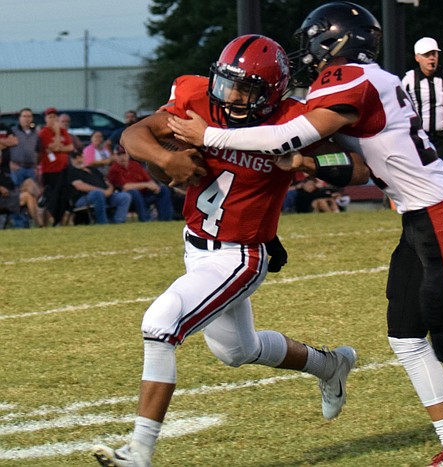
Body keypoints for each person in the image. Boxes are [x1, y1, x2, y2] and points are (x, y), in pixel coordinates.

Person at [167, 3, 443, 465]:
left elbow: (287, 135)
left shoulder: (354, 77)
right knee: (404, 338)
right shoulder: (366, 81)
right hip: (421, 217)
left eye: (313, 41)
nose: (307, 53)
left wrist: (211, 136)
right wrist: (309, 164)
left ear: (335, 41)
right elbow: (357, 165)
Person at [92, 34, 370, 467]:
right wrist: (166, 162)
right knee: (236, 351)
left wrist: (305, 162)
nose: (234, 97)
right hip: (196, 244)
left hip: (240, 254)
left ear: (273, 92)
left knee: (161, 322)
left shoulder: (291, 119)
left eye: (248, 89)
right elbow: (135, 134)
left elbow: (356, 168)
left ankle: (139, 451)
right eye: (228, 85)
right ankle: (329, 365)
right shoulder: (197, 98)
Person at [107, 145, 174, 221]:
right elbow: (125, 187)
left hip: (144, 194)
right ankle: (145, 218)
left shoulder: (135, 165)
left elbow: (149, 181)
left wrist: (154, 186)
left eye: (124, 154)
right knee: (134, 192)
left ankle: (166, 219)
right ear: (114, 156)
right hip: (130, 198)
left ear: (128, 154)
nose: (122, 157)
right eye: (119, 155)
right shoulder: (114, 169)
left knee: (163, 189)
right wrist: (146, 185)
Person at [68, 151, 131, 224]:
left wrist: (109, 190)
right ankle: (103, 222)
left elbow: (107, 182)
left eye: (80, 156)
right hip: (84, 198)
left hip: (106, 195)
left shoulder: (93, 170)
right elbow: (79, 186)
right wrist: (102, 191)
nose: (79, 159)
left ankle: (119, 221)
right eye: (75, 158)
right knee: (97, 193)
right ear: (71, 160)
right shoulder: (72, 172)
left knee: (125, 196)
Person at [38, 107, 74, 226]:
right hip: (50, 170)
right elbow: (55, 147)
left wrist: (60, 147)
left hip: (63, 168)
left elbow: (70, 147)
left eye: (54, 117)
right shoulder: (44, 132)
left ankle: (58, 221)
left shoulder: (64, 131)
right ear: (45, 119)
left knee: (62, 196)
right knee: (51, 197)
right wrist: (57, 133)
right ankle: (46, 223)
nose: (53, 119)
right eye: (50, 117)